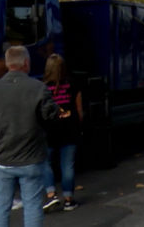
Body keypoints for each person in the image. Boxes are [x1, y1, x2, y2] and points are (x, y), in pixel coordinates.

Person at [0, 46, 64, 227]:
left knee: (0, 205)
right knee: (32, 205)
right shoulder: (38, 88)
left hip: (2, 159)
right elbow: (51, 118)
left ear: (8, 64)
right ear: (26, 63)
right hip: (31, 158)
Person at [41, 53, 83, 213]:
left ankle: (51, 194)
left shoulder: (42, 87)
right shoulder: (73, 84)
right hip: (69, 129)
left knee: (45, 163)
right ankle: (68, 199)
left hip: (49, 130)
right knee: (67, 165)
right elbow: (79, 110)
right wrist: (78, 125)